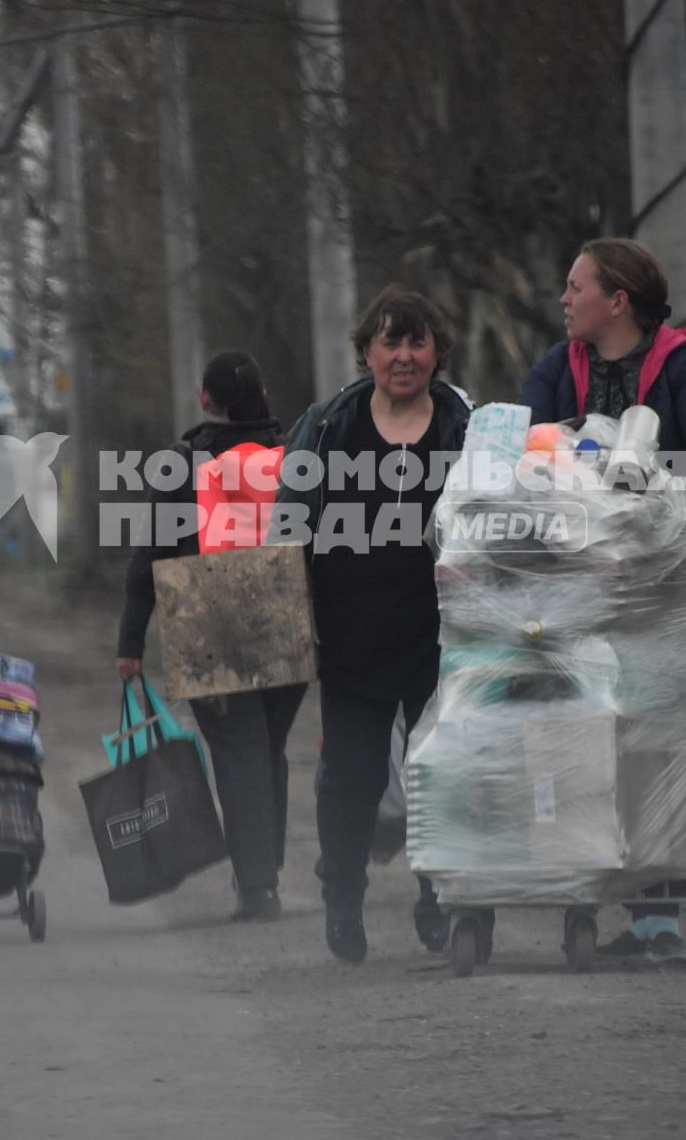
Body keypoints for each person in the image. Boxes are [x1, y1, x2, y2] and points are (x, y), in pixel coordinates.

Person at [520, 236, 686, 966]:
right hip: (578, 585)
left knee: (657, 741)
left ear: (616, 300)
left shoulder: (679, 364)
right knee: (588, 738)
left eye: (574, 285)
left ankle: (658, 919)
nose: (564, 299)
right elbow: (522, 445)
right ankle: (616, 893)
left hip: (659, 588)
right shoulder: (561, 369)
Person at [274, 288, 472, 963]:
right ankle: (344, 896)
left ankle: (439, 897)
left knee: (441, 773)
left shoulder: (465, 425)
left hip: (440, 637)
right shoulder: (329, 425)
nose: (405, 357)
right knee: (350, 775)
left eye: (417, 343)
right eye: (391, 342)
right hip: (350, 634)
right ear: (368, 351)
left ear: (437, 351)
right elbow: (288, 519)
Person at [115, 350, 306, 924]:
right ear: (265, 393)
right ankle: (263, 872)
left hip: (205, 618)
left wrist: (130, 643)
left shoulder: (183, 464)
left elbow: (150, 555)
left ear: (205, 399)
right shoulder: (292, 456)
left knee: (239, 753)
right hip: (283, 613)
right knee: (267, 749)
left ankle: (258, 887)